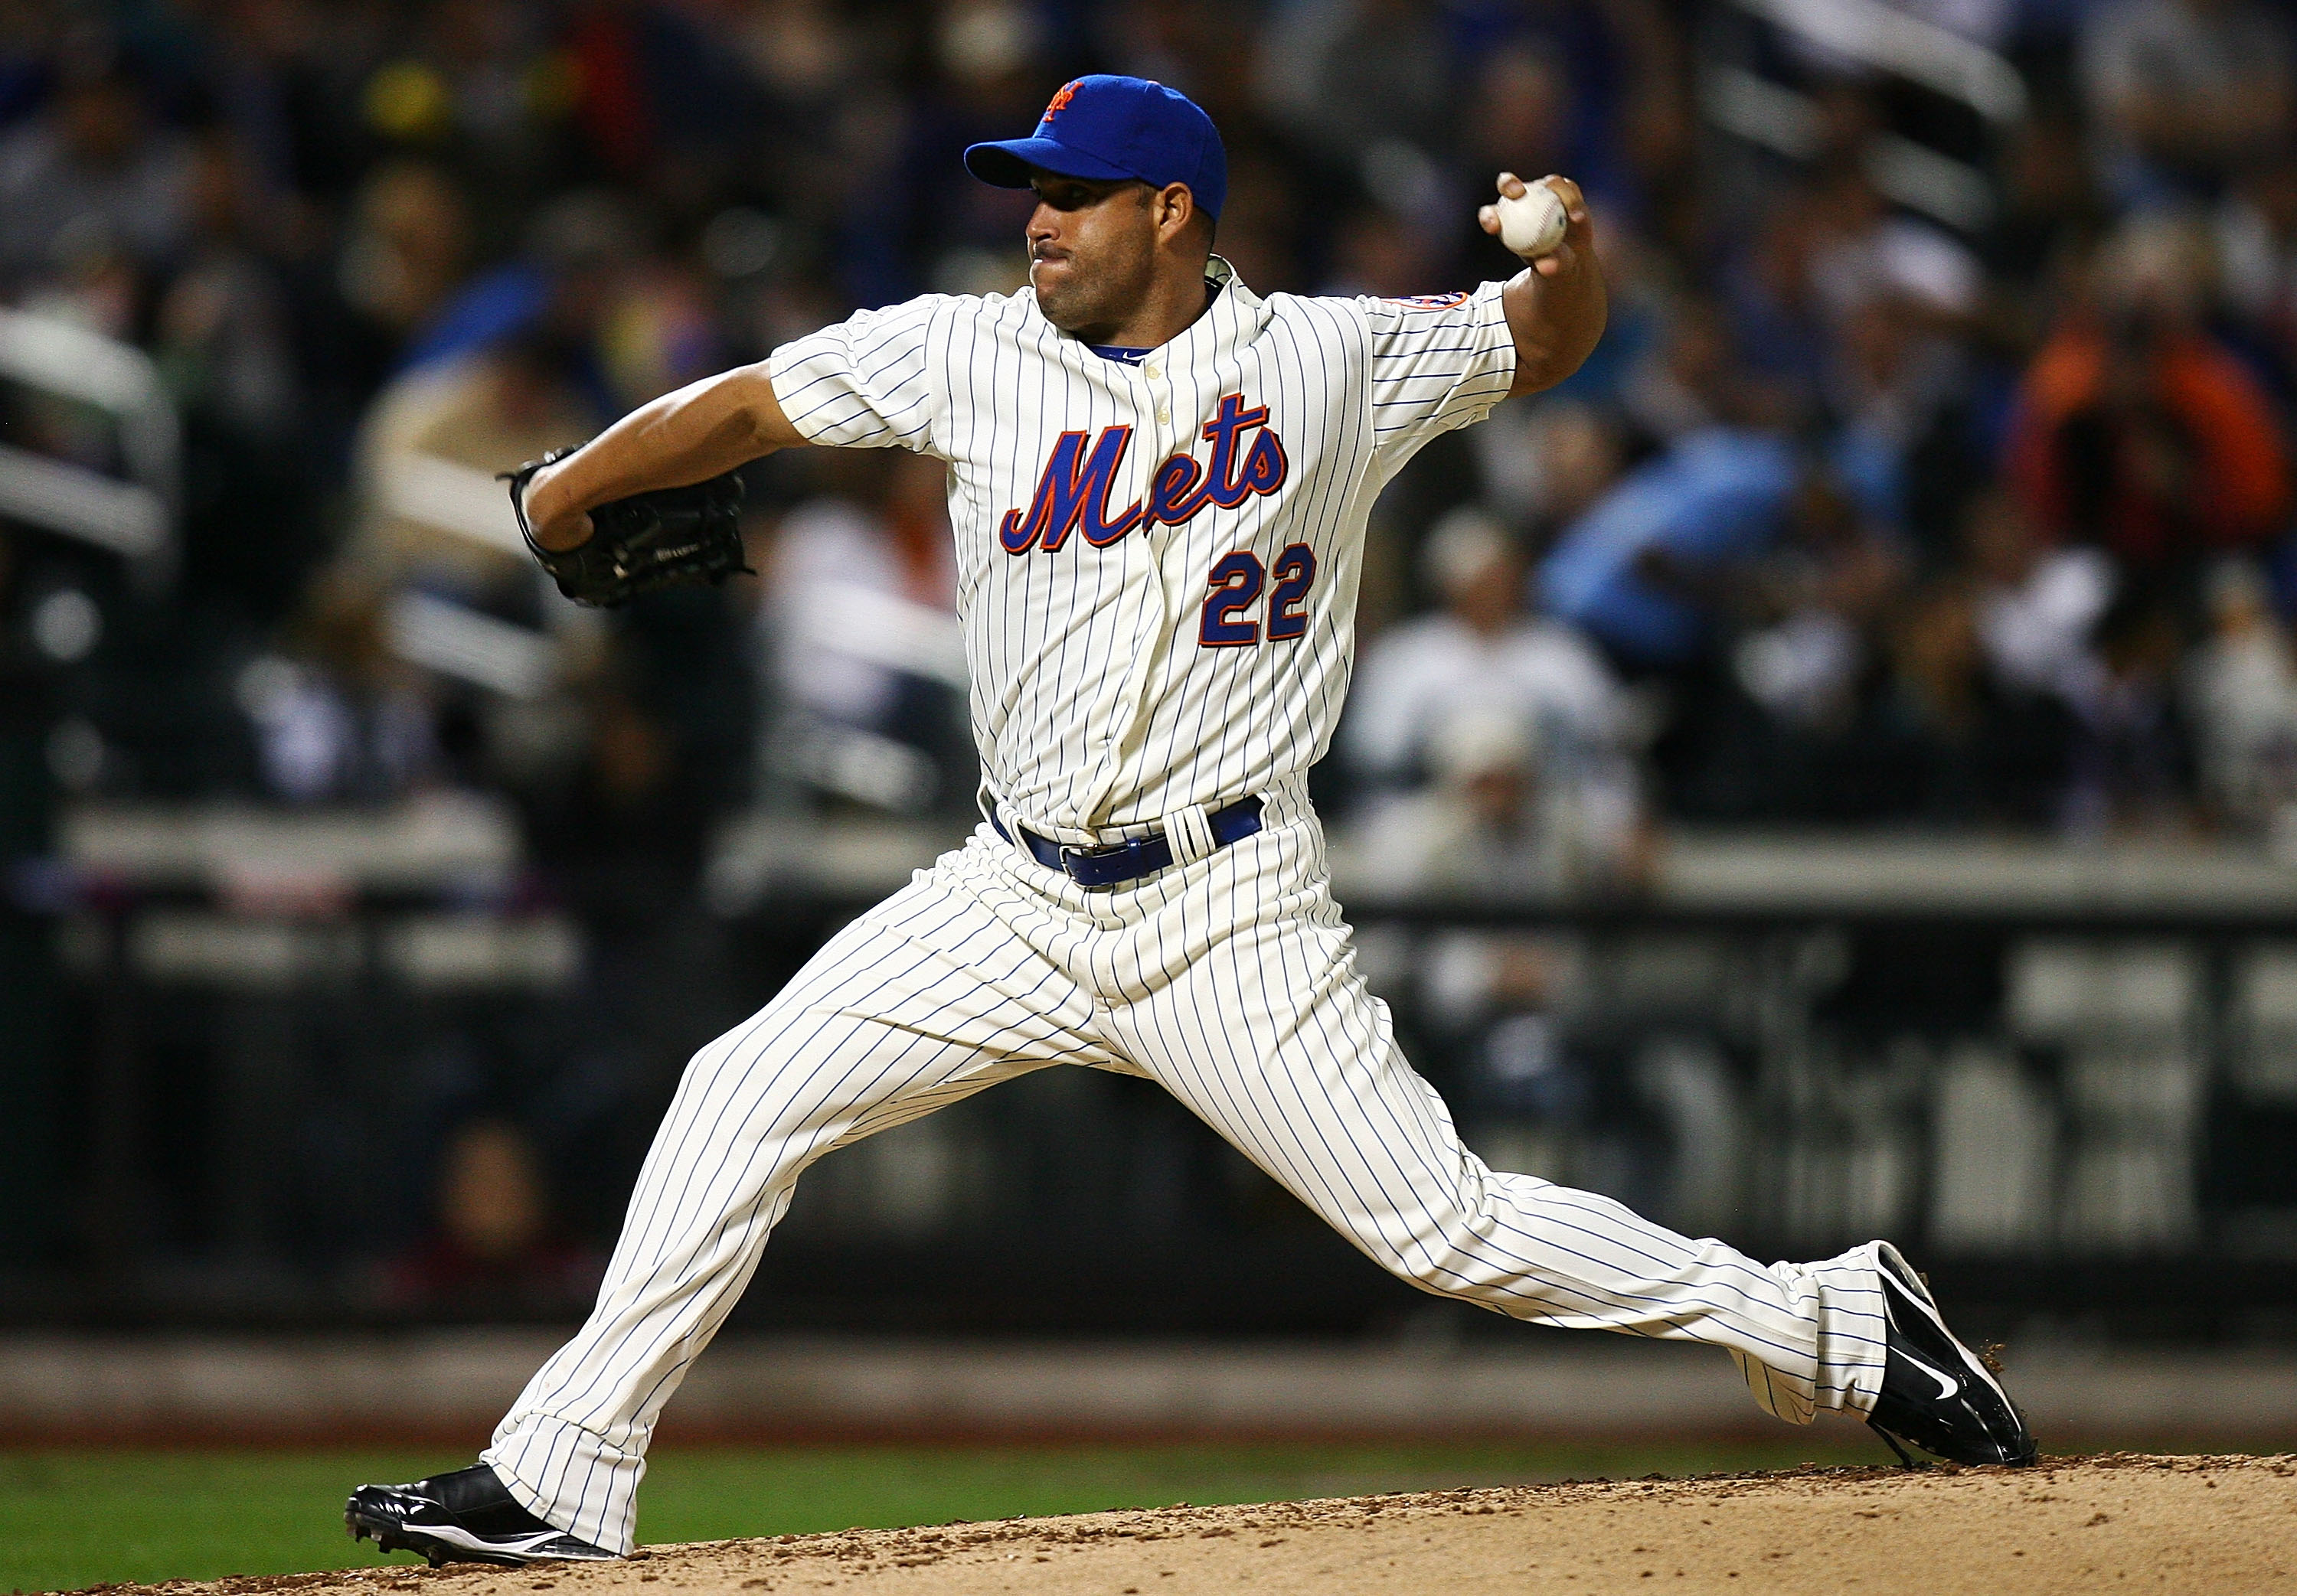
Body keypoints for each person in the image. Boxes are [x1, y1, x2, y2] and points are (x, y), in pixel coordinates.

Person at [346, 73, 2033, 1569]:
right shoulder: (966, 347)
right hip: (1009, 893)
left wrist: (1563, 248)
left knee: (1437, 1223)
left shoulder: (1330, 358)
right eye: (1028, 190)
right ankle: (561, 1471)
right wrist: (568, 485)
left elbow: (1544, 340)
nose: (1038, 223)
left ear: (1171, 210)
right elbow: (748, 403)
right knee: (739, 1088)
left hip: (1227, 907)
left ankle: (1830, 1322)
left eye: (1071, 194)